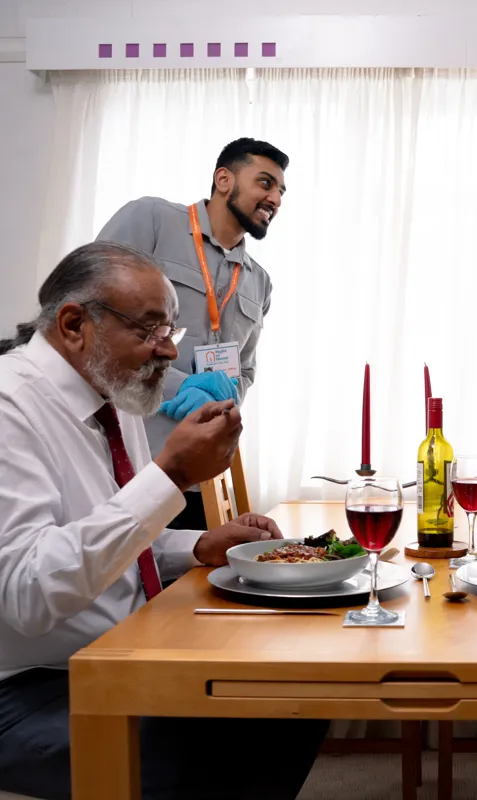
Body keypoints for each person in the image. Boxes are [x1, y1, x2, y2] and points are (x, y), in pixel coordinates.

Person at [0, 242, 326, 799]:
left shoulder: (112, 394)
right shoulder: (10, 406)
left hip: (118, 658)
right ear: (74, 323)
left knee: (292, 700)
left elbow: (103, 537)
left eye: (170, 331)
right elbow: (27, 594)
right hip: (28, 687)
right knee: (207, 757)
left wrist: (198, 546)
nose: (169, 353)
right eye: (150, 330)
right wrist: (170, 474)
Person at [97, 137, 288, 530]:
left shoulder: (260, 282)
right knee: (131, 587)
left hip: (201, 476)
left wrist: (227, 398)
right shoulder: (150, 220)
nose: (276, 199)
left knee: (194, 583)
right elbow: (98, 319)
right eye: (265, 183)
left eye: (282, 191)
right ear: (224, 180)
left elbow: (246, 369)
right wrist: (179, 388)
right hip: (131, 464)